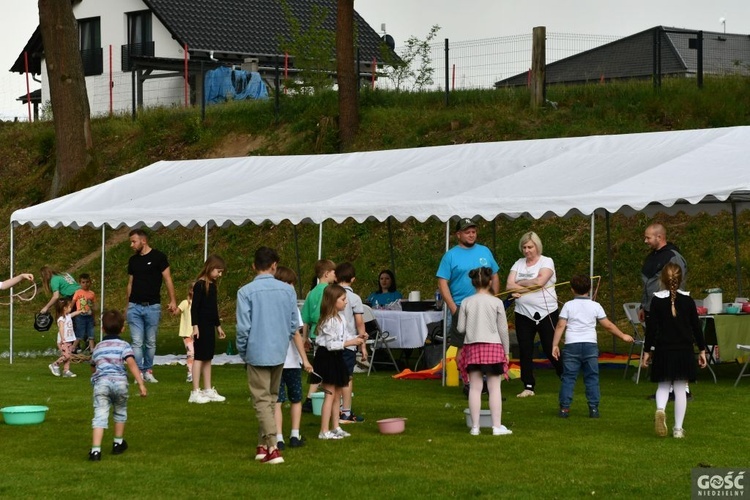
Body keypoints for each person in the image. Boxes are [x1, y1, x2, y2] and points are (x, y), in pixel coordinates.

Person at [236, 247, 300, 465]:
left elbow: (243, 328)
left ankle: (272, 447)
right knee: (270, 399)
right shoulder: (288, 291)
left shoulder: (245, 292)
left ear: (254, 266)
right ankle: (263, 445)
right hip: (278, 351)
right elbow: (293, 324)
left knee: (263, 400)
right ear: (274, 265)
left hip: (257, 350)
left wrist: (243, 351)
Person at [552, 275, 634, 419]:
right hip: (590, 345)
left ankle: (564, 408)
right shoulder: (595, 306)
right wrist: (622, 335)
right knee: (592, 377)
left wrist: (554, 345)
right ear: (590, 289)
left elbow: (560, 325)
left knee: (569, 377)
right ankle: (594, 409)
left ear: (572, 290)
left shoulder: (568, 306)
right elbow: (608, 325)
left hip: (571, 345)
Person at [642, 263, 706, 439]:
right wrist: (702, 350)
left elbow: (651, 329)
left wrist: (647, 351)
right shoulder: (688, 300)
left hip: (663, 350)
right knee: (680, 389)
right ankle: (678, 429)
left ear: (661, 279)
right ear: (680, 279)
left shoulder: (656, 300)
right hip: (683, 350)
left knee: (663, 385)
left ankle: (660, 409)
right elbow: (696, 328)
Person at [436, 218, 500, 390]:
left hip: (485, 307)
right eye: (467, 232)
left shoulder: (485, 251)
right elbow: (442, 282)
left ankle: (484, 379)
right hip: (462, 307)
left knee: (485, 343)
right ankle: (467, 381)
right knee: (463, 346)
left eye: (473, 231)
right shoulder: (450, 255)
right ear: (458, 235)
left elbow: (494, 275)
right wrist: (453, 308)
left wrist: (495, 299)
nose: (471, 235)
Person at [506, 231, 563, 398]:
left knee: (549, 346)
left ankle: (564, 374)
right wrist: (526, 284)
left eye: (530, 247)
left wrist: (520, 283)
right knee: (525, 348)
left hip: (546, 312)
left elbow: (540, 282)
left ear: (537, 246)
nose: (527, 250)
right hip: (523, 313)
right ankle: (528, 385)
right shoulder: (518, 263)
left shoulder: (547, 261)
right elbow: (509, 285)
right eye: (524, 247)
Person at [457, 267, 512, 436]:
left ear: (473, 283)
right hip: (493, 347)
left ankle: (475, 427)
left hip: (472, 347)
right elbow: (503, 329)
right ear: (490, 282)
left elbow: (460, 328)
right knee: (495, 388)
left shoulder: (466, 301)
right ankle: (496, 426)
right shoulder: (496, 302)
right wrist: (507, 352)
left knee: (475, 388)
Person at [88, 309, 147, 461]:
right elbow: (132, 364)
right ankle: (117, 443)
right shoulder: (124, 346)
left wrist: (94, 376)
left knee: (100, 415)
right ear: (122, 328)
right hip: (120, 383)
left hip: (102, 384)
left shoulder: (98, 347)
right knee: (120, 411)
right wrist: (140, 383)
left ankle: (95, 450)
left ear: (102, 329)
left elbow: (93, 365)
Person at [639, 223, 689, 400]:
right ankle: (666, 387)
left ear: (659, 237)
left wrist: (672, 304)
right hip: (653, 307)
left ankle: (682, 388)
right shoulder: (653, 256)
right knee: (658, 347)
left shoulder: (673, 257)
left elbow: (678, 282)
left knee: (672, 346)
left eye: (648, 237)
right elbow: (648, 284)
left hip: (669, 309)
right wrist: (643, 305)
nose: (645, 241)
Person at [313, 284, 365, 440]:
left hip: (336, 356)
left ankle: (335, 426)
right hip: (327, 357)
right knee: (329, 394)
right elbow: (330, 344)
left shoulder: (341, 318)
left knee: (337, 394)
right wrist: (350, 343)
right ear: (333, 301)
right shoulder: (328, 321)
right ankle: (324, 430)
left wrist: (358, 339)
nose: (346, 302)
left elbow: (343, 337)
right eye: (343, 299)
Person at [126, 229, 178, 383]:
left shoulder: (159, 257)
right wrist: (127, 305)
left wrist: (173, 300)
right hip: (134, 306)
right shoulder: (133, 260)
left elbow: (168, 279)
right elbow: (130, 283)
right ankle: (139, 372)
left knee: (150, 342)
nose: (131, 245)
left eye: (134, 241)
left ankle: (148, 370)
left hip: (152, 307)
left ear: (143, 241)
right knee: (136, 341)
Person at [273, 266, 313, 450]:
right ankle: (291, 435)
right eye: (289, 284)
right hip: (289, 361)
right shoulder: (291, 307)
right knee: (293, 399)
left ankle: (281, 437)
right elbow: (296, 334)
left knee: (279, 400)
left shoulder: (270, 306)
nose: (291, 288)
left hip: (275, 360)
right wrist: (305, 360)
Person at [187, 255, 227, 404]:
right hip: (201, 327)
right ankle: (195, 391)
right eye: (218, 271)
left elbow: (213, 309)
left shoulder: (213, 286)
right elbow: (194, 309)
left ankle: (208, 389)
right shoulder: (199, 285)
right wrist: (195, 327)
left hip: (210, 326)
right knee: (199, 358)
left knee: (208, 358)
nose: (220, 274)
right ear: (210, 268)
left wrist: (218, 326)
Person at [300, 259, 336, 413]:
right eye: (334, 272)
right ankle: (311, 399)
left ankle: (313, 397)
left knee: (319, 365)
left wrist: (305, 337)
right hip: (324, 333)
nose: (336, 275)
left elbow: (305, 317)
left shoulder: (311, 292)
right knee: (323, 367)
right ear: (327, 274)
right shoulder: (328, 292)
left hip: (314, 333)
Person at [335, 262, 369, 423]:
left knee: (333, 378)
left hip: (331, 343)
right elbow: (360, 324)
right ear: (353, 279)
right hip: (349, 342)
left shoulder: (329, 294)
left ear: (335, 277)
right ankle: (346, 412)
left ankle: (334, 409)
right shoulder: (354, 298)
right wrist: (363, 346)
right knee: (347, 377)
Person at [48, 298, 83, 378]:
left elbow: (73, 314)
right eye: (69, 307)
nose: (70, 308)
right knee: (66, 355)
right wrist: (63, 339)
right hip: (63, 341)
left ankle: (66, 370)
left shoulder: (68, 316)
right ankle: (54, 364)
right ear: (64, 308)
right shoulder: (61, 319)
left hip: (69, 340)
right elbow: (61, 328)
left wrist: (80, 311)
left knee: (68, 356)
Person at [71, 273, 97, 353]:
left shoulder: (92, 294)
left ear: (90, 282)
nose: (85, 284)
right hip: (80, 316)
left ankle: (92, 351)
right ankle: (72, 349)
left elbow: (94, 305)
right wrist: (69, 310)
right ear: (80, 283)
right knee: (80, 334)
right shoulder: (78, 292)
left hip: (89, 316)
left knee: (91, 333)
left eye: (87, 282)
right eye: (83, 282)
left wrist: (94, 316)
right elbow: (73, 302)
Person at [176, 282, 195, 383]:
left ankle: (195, 372)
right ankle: (190, 373)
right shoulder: (185, 303)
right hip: (187, 333)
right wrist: (172, 310)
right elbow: (177, 311)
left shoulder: (201, 303)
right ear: (190, 291)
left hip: (197, 333)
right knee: (190, 353)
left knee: (198, 354)